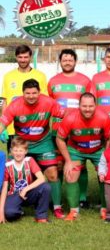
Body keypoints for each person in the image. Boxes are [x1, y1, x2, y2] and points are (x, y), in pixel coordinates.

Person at [0, 79, 64, 219]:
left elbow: (63, 115)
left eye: (34, 93)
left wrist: (58, 133)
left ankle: (57, 207)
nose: (31, 96)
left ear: (39, 92)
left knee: (52, 173)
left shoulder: (49, 102)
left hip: (43, 142)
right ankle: (13, 204)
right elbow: (2, 123)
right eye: (27, 93)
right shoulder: (15, 105)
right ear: (22, 93)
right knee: (13, 176)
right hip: (22, 144)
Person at [56, 92, 110, 221]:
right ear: (79, 106)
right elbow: (60, 139)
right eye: (84, 106)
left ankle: (105, 208)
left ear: (95, 105)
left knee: (107, 174)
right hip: (76, 150)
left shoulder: (104, 117)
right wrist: (68, 161)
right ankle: (74, 211)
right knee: (70, 174)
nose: (87, 109)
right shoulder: (70, 118)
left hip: (98, 150)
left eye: (90, 106)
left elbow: (109, 138)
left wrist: (106, 157)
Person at [48, 49, 93, 213]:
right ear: (60, 61)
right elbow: (50, 106)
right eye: (64, 59)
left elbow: (90, 104)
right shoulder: (52, 81)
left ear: (75, 61)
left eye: (70, 59)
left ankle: (82, 198)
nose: (67, 62)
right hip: (58, 130)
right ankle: (57, 200)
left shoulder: (85, 80)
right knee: (58, 164)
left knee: (80, 164)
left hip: (79, 130)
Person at [1, 45, 48, 151]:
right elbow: (5, 101)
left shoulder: (40, 76)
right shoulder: (8, 76)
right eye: (20, 57)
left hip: (35, 128)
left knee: (35, 163)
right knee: (16, 163)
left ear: (30, 57)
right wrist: (4, 127)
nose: (23, 60)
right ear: (16, 57)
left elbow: (45, 101)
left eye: (25, 57)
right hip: (13, 129)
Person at [0, 137, 51, 223]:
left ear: (26, 151)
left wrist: (26, 189)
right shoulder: (8, 165)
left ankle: (41, 216)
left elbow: (42, 178)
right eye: (15, 150)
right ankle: (19, 211)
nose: (18, 153)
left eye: (21, 150)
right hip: (14, 195)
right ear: (11, 151)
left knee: (46, 187)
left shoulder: (29, 161)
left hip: (29, 193)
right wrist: (1, 212)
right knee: (9, 214)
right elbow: (4, 189)